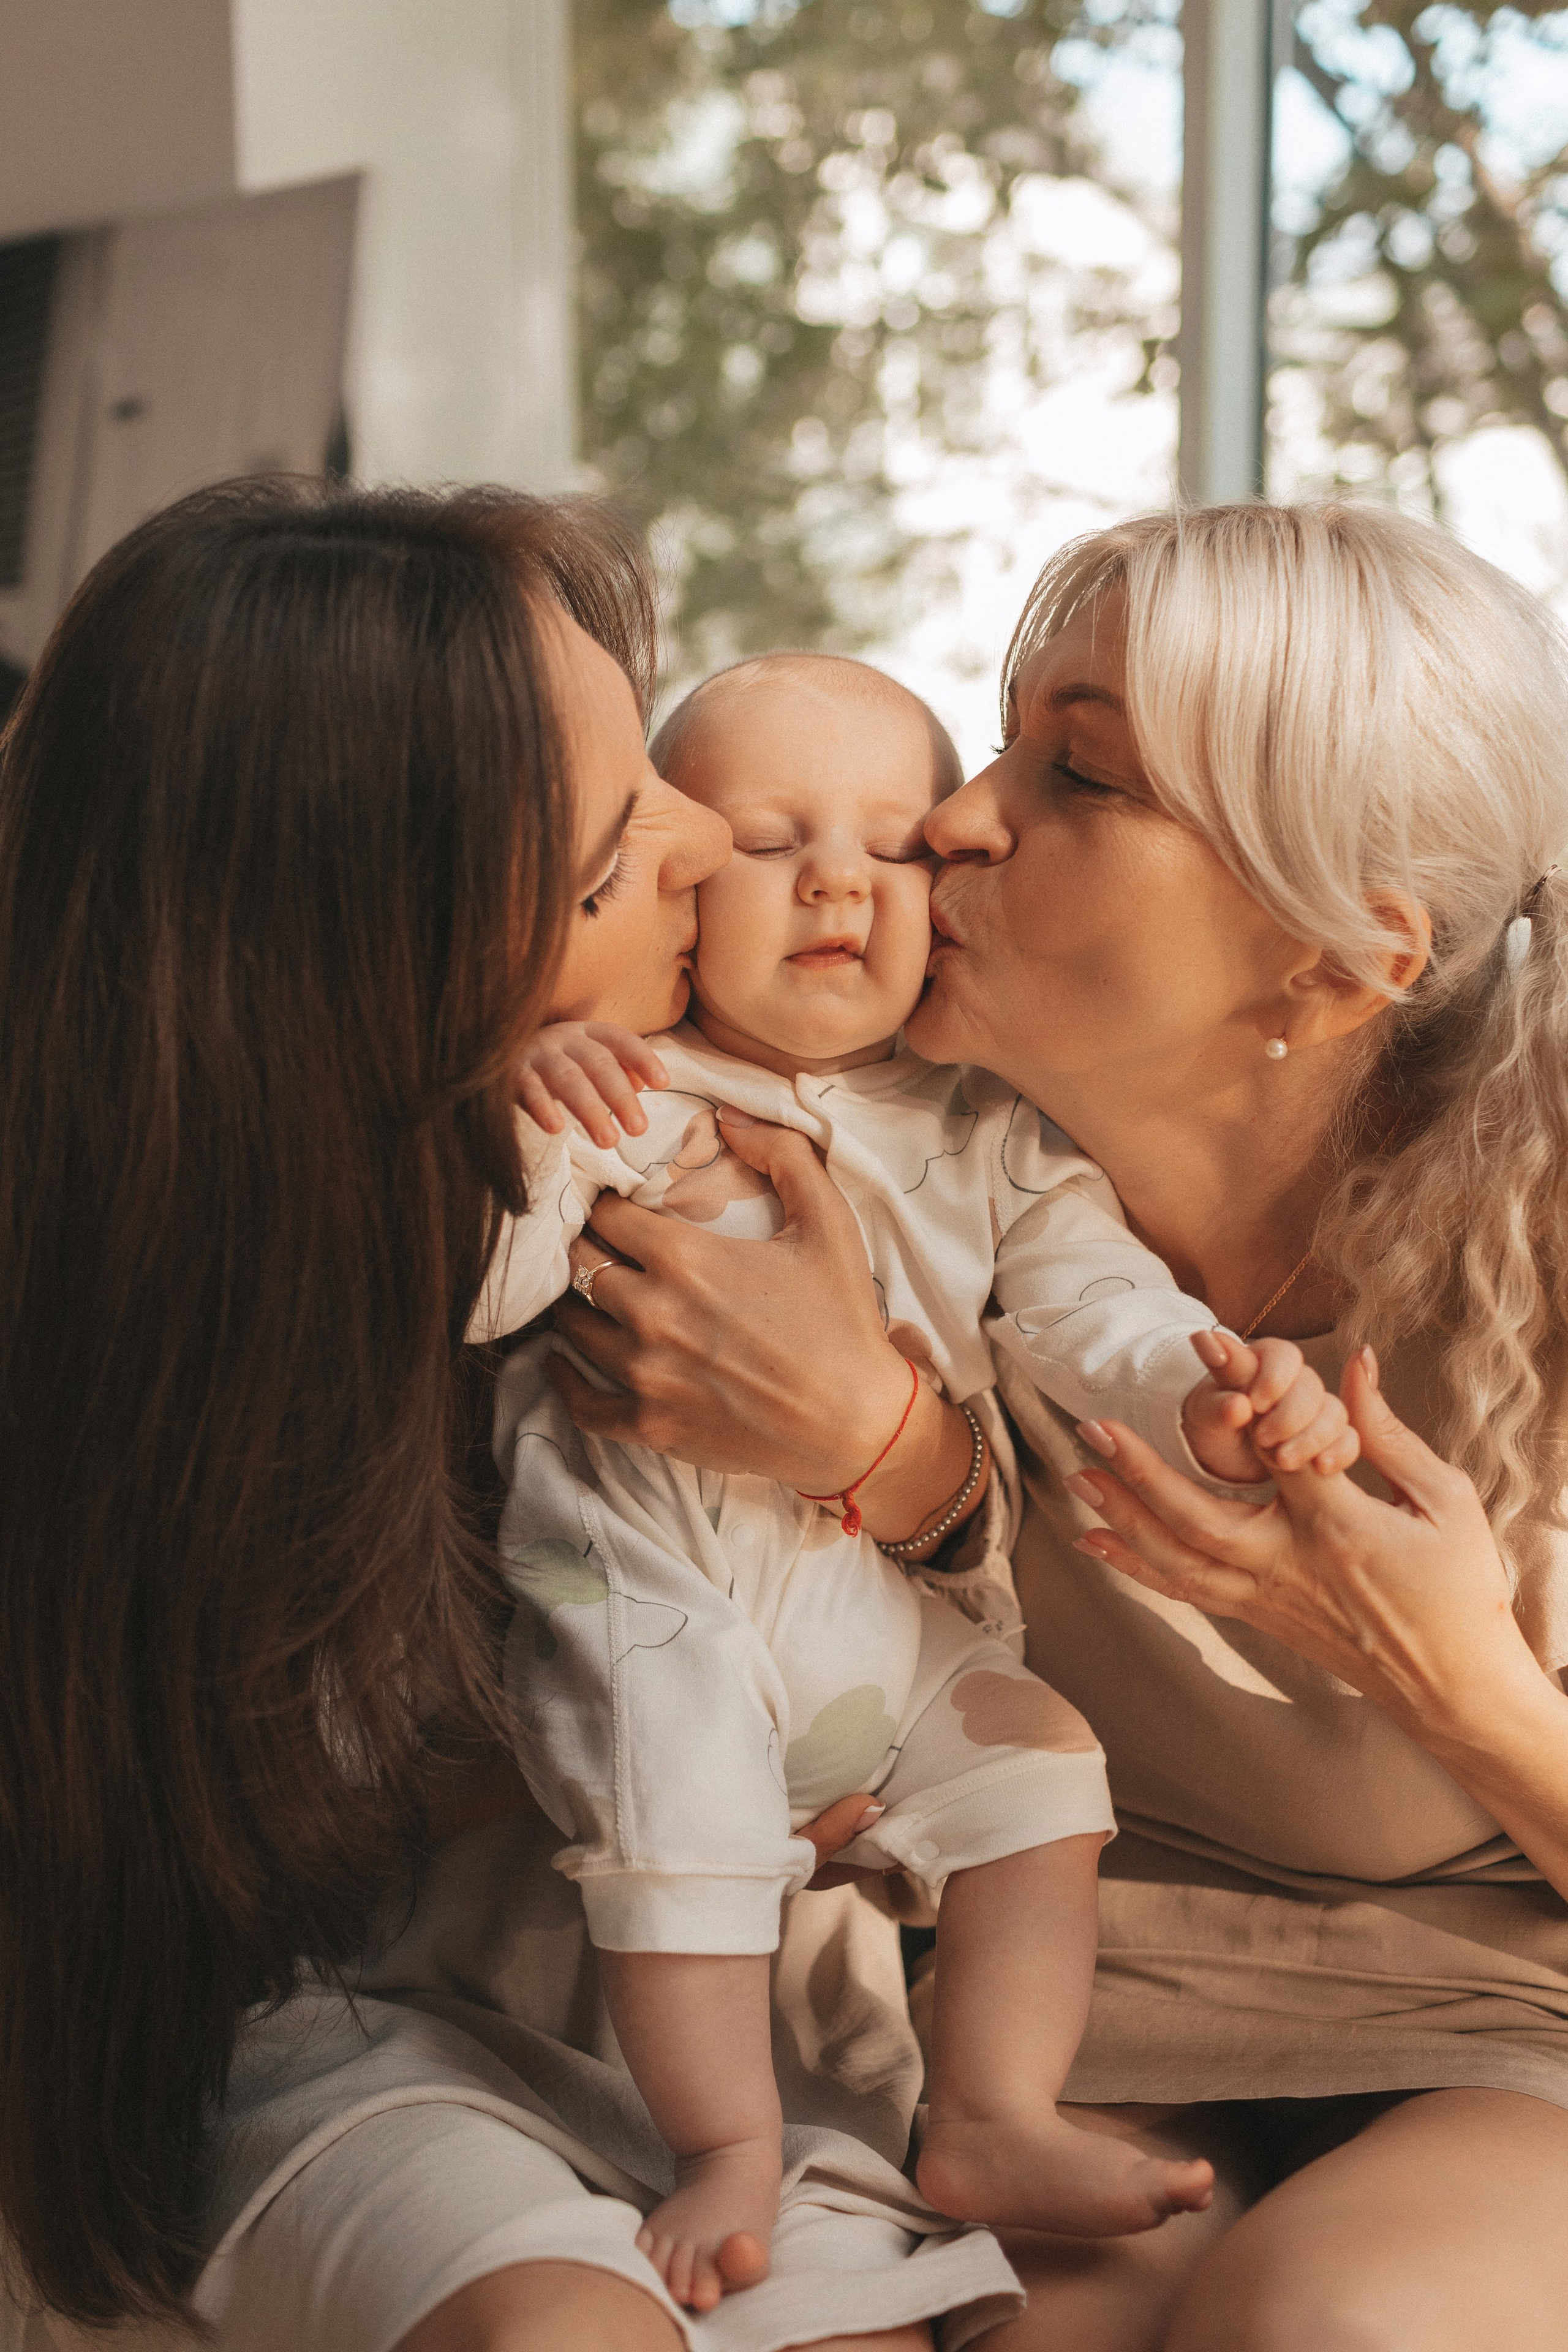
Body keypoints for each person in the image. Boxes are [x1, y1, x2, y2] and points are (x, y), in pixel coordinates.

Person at [0, 476, 1022, 2352]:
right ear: (413, 969)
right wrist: (695, 1755)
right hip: (359, 2024)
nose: (715, 834)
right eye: (628, 839)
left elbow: (1011, 1514)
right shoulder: (294, 1283)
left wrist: (890, 1455)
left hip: (720, 2030)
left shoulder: (860, 1150)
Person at [547, 502, 1568, 2351]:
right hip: (1089, 2012)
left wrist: (1442, 1670)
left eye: (1078, 774)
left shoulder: (1536, 1274)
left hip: (1513, 2017)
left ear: (1338, 968)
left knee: (1327, 2326)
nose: (955, 818)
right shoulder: (920, 1155)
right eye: (1006, 737)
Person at [486, 647, 1358, 2304]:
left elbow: (1100, 1314)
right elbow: (481, 1280)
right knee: (675, 1793)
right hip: (628, 1583)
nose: (837, 877)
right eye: (766, 839)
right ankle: (728, 2144)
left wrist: (1213, 1400)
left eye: (893, 846)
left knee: (1036, 1760)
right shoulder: (640, 1084)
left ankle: (988, 2108)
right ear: (670, 884)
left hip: (853, 1614)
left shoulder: (992, 1131)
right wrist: (519, 1105)